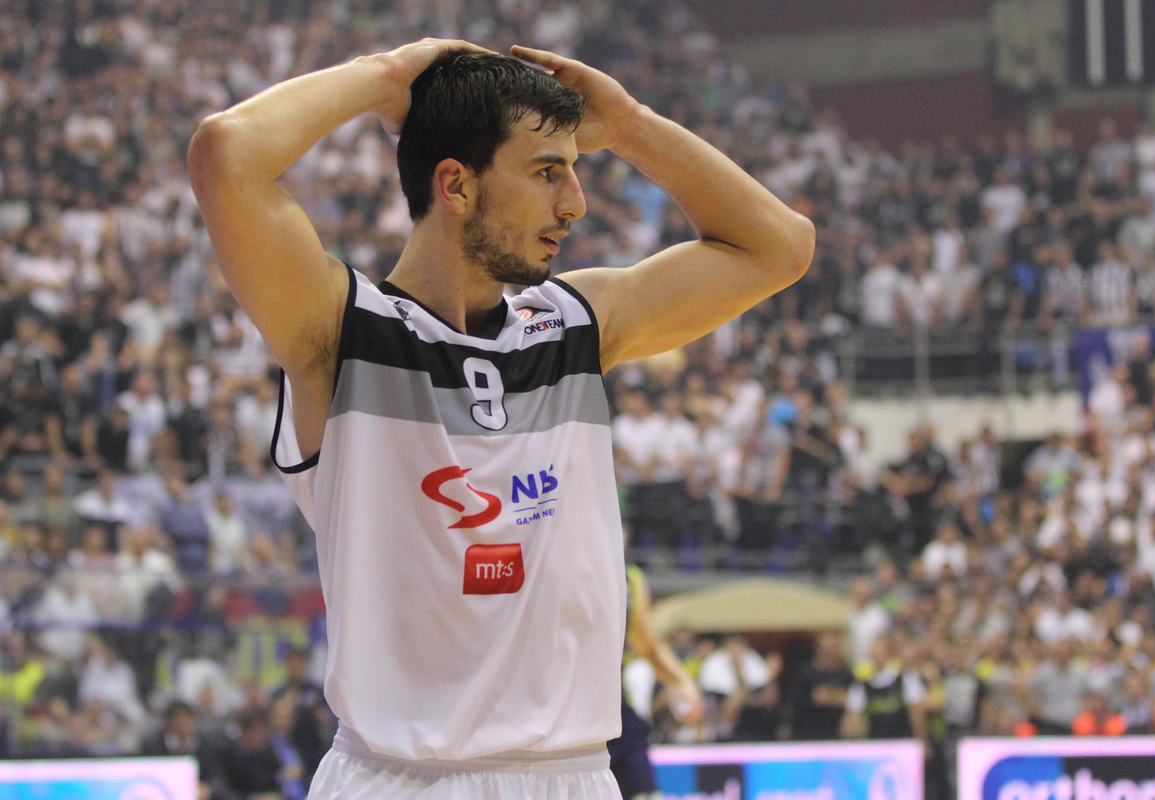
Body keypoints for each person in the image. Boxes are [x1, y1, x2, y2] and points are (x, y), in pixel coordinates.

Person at [189, 38, 813, 799]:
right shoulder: (339, 331)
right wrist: (383, 76)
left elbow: (780, 246)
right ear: (454, 184)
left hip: (576, 775)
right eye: (549, 172)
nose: (575, 203)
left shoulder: (576, 323)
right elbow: (226, 153)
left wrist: (632, 124)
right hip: (403, 777)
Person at [609, 563, 702, 800]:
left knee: (646, 794)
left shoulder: (631, 575)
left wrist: (683, 682)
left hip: (615, 711)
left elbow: (646, 644)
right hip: (567, 714)